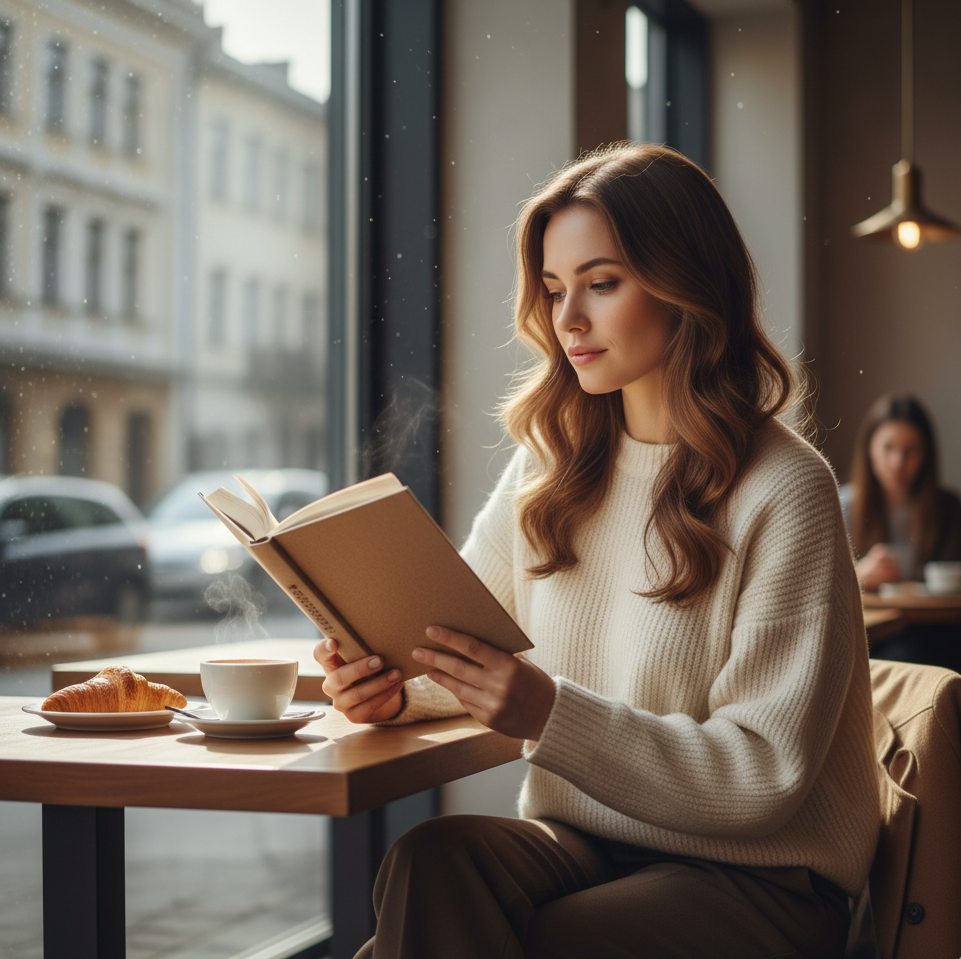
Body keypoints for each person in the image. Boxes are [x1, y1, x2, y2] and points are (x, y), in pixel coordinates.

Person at [315, 143, 879, 959]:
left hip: (761, 880)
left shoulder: (785, 488)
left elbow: (760, 776)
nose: (566, 319)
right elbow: (469, 650)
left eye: (600, 283)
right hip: (585, 845)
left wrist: (548, 711)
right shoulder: (549, 465)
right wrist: (390, 688)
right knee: (429, 860)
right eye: (552, 290)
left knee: (519, 939)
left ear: (686, 284)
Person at [840, 393, 961, 670]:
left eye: (911, 451)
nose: (897, 462)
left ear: (926, 454)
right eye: (888, 448)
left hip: (936, 632)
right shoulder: (844, 505)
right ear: (869, 449)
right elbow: (818, 586)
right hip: (872, 633)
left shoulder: (947, 508)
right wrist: (859, 575)